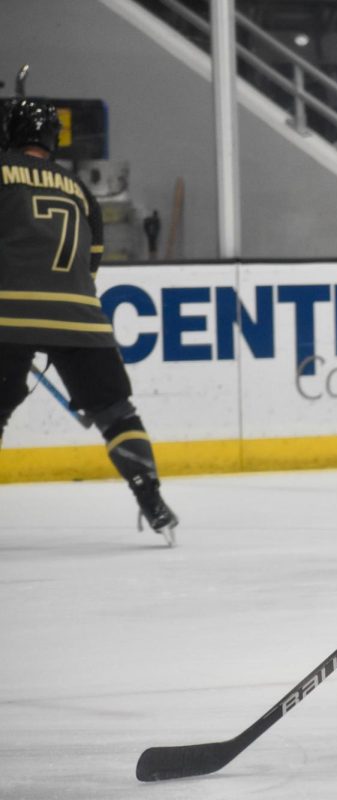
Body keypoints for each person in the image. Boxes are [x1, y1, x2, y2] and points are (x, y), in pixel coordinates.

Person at [0, 98, 179, 544]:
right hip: (79, 314)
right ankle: (152, 501)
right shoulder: (79, 188)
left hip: (7, 313)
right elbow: (91, 263)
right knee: (116, 413)